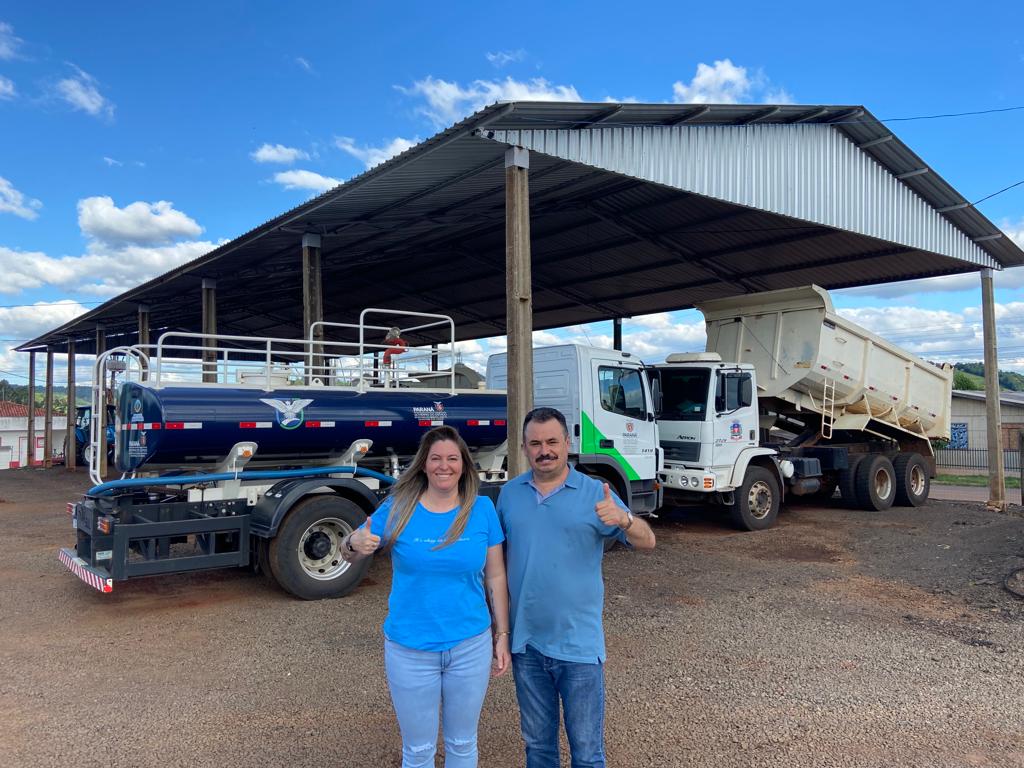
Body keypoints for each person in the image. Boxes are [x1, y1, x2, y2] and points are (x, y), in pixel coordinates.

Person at [342, 425, 510, 768]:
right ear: (423, 464)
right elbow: (350, 552)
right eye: (435, 458)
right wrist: (352, 544)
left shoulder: (482, 509)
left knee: (463, 743)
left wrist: (503, 634)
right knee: (418, 751)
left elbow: (496, 575)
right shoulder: (398, 507)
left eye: (452, 458)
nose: (443, 466)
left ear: (464, 464)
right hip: (410, 650)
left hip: (470, 646)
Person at [497, 406, 656, 768]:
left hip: (579, 646)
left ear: (567, 443)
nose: (545, 451)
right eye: (535, 443)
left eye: (552, 441)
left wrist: (625, 519)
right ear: (524, 447)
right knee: (538, 749)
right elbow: (496, 563)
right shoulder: (509, 495)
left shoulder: (595, 492)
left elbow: (647, 541)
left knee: (587, 752)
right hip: (527, 644)